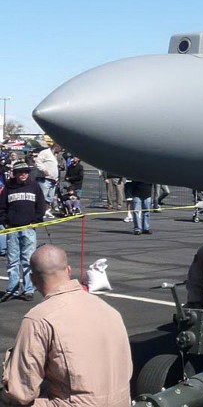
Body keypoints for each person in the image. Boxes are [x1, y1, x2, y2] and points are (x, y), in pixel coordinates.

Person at [1, 245, 132, 406]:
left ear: (33, 280)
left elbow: (21, 392)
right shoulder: (109, 310)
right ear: (68, 270)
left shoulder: (39, 319)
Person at [0, 162, 46, 301]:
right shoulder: (9, 187)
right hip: (12, 228)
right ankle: (13, 289)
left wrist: (37, 219)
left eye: (25, 172)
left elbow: (41, 205)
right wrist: (4, 221)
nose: (23, 174)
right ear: (15, 173)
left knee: (27, 260)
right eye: (20, 172)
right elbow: (2, 206)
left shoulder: (34, 186)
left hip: (28, 228)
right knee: (13, 260)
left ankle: (28, 289)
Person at [32, 142, 58, 220]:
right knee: (42, 196)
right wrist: (44, 169)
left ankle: (46, 210)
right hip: (44, 179)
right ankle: (40, 211)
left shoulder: (55, 155)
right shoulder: (45, 152)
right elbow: (38, 162)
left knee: (50, 197)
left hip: (53, 180)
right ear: (55, 146)